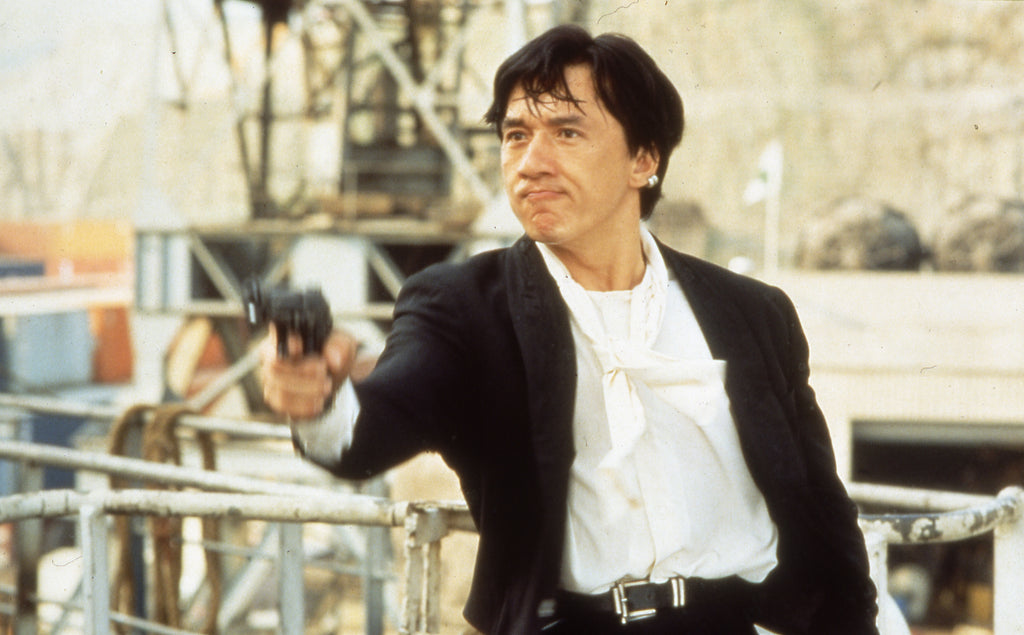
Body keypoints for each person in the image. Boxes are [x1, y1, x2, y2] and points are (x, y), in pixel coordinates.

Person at [260, 24, 878, 634]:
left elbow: (823, 513)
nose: (531, 163)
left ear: (644, 159)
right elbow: (374, 424)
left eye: (567, 132)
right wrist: (317, 400)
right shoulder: (466, 307)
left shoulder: (751, 312)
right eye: (516, 135)